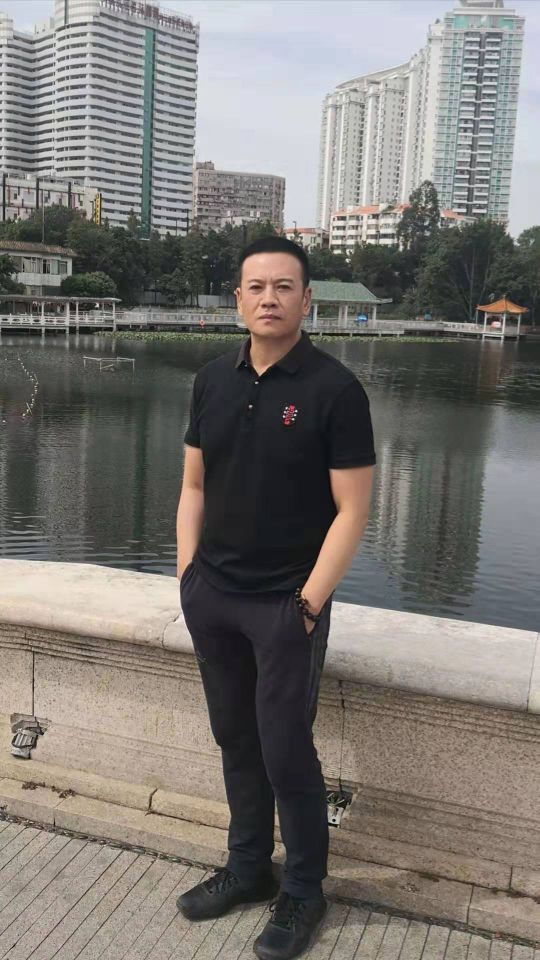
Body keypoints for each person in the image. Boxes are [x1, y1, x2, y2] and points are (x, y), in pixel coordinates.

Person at [175, 235, 376, 960]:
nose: (269, 298)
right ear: (238, 299)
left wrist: (309, 605)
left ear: (307, 299)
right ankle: (248, 868)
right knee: (235, 737)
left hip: (286, 604)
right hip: (215, 596)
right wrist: (187, 577)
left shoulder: (335, 391)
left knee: (287, 750)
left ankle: (304, 890)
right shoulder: (211, 380)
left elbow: (353, 511)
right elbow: (193, 485)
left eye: (284, 287)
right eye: (256, 287)